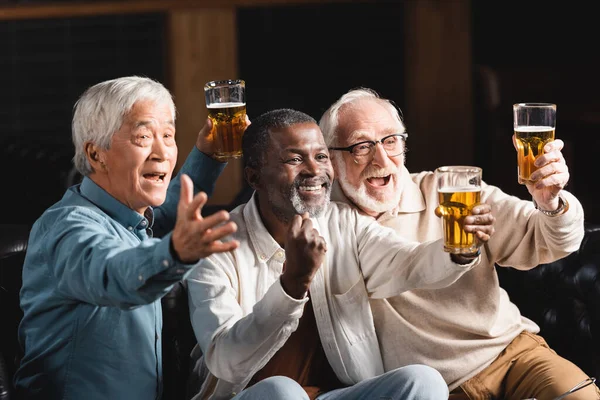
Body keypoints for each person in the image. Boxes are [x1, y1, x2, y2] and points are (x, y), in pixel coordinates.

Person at [186, 108, 496, 400]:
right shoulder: (214, 246)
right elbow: (225, 360)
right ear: (254, 177)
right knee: (283, 392)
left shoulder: (344, 222)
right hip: (254, 397)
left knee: (424, 381)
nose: (314, 170)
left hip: (337, 394)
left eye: (321, 156)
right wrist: (292, 285)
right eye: (294, 159)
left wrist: (460, 249)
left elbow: (408, 262)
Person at [319, 88, 599, 400]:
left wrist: (551, 202)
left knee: (581, 398)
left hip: (513, 354)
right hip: (437, 388)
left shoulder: (450, 188)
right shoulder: (327, 224)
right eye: (361, 146)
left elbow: (553, 240)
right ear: (331, 158)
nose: (381, 159)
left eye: (391, 141)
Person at [14, 76, 240, 400]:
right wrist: (177, 252)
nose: (162, 152)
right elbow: (114, 271)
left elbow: (167, 212)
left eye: (168, 136)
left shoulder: (129, 216)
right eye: (143, 136)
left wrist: (209, 154)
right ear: (96, 154)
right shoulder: (66, 227)